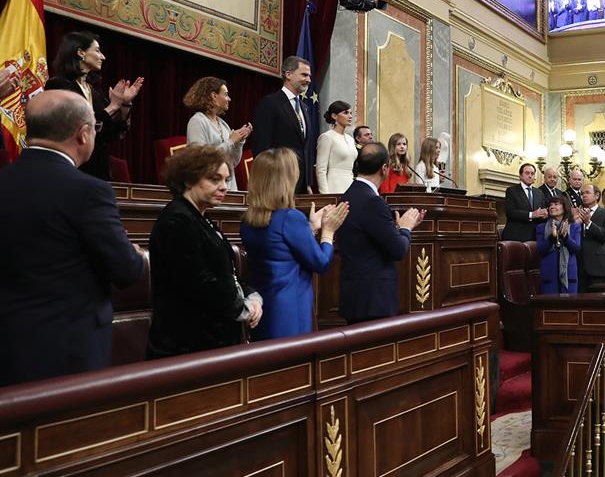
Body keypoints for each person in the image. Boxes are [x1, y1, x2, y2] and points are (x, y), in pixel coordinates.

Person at [0, 90, 145, 385]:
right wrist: (136, 254)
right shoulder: (90, 191)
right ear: (83, 134)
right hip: (67, 351)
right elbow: (127, 271)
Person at [146, 145, 263, 358]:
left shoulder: (200, 217)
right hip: (187, 348)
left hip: (211, 342)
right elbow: (200, 283)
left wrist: (252, 297)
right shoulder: (177, 220)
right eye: (214, 179)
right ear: (189, 180)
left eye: (226, 180)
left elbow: (228, 274)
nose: (224, 187)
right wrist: (242, 309)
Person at [239, 148, 348, 340]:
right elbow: (320, 262)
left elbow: (281, 250)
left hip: (264, 307)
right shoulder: (290, 218)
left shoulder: (248, 221)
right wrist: (328, 231)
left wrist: (311, 229)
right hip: (290, 310)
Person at [335, 142, 424, 323]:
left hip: (354, 298)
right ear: (384, 168)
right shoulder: (373, 202)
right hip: (374, 302)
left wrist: (397, 229)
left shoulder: (347, 196)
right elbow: (398, 250)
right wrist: (406, 229)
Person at [45, 30, 144, 181]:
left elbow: (113, 133)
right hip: (71, 169)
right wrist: (112, 106)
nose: (103, 57)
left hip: (98, 170)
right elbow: (75, 126)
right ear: (80, 52)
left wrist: (124, 104)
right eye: (97, 51)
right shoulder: (58, 85)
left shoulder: (94, 91)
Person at [251, 55, 314, 193]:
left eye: (309, 76)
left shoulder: (305, 108)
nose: (308, 80)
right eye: (304, 75)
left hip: (301, 184)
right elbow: (262, 146)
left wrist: (308, 182)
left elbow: (305, 148)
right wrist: (267, 181)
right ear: (288, 74)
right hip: (277, 181)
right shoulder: (270, 103)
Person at [184, 76, 252, 191]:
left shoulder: (223, 124)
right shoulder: (197, 121)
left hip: (228, 189)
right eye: (225, 94)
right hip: (209, 190)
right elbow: (200, 160)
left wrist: (238, 142)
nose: (229, 99)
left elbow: (233, 162)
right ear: (214, 96)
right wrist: (230, 142)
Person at [535, 195, 581, 294]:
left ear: (564, 207)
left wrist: (565, 237)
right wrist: (552, 237)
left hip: (569, 275)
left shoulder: (574, 227)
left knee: (568, 307)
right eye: (550, 205)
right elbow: (540, 250)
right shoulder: (541, 227)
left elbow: (576, 249)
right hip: (549, 275)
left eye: (556, 204)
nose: (552, 207)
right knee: (550, 307)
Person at [315, 100, 358, 195]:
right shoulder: (327, 137)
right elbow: (320, 170)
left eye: (351, 113)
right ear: (334, 116)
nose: (350, 116)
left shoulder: (350, 139)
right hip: (334, 187)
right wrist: (325, 195)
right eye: (346, 113)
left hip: (350, 186)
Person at [502, 162, 547, 241]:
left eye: (532, 173)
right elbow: (510, 212)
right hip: (516, 236)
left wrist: (545, 214)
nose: (530, 176)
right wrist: (531, 214)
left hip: (536, 236)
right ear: (520, 175)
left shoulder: (539, 192)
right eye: (527, 173)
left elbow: (542, 211)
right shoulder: (512, 191)